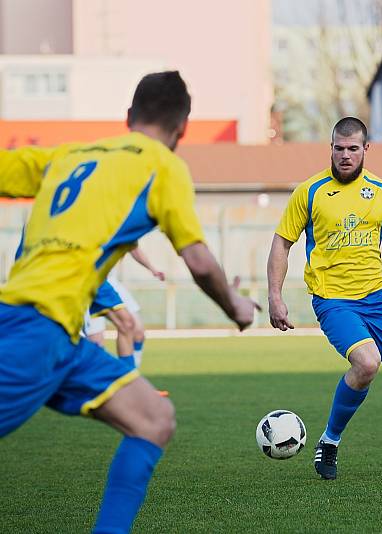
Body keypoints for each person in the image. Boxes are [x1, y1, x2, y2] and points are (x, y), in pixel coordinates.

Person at [0, 71, 259, 533]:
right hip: (35, 332)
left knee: (154, 418)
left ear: (128, 117)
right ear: (182, 129)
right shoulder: (163, 165)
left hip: (61, 336)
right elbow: (199, 260)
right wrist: (236, 307)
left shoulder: (69, 153)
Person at [267, 116, 382, 479]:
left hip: (378, 300)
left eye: (353, 149)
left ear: (365, 150)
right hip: (333, 300)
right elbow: (282, 242)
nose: (345, 155)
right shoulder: (310, 192)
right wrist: (275, 296)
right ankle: (329, 442)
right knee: (367, 363)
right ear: (331, 148)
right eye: (339, 148)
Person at [84, 246, 166, 370]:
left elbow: (133, 247)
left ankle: (131, 379)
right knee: (95, 343)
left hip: (103, 282)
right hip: (83, 279)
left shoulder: (120, 227)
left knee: (133, 328)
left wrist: (152, 269)